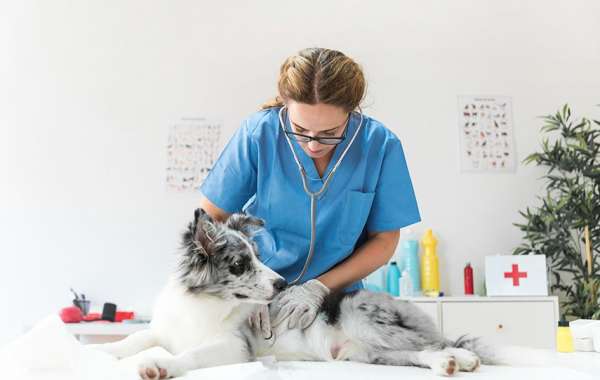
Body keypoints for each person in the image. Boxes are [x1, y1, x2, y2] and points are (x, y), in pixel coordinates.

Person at [198, 47, 420, 337]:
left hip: (336, 299)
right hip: (260, 298)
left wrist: (320, 287)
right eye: (300, 128)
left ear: (351, 113)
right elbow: (209, 221)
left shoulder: (379, 146)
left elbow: (385, 240)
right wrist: (246, 285)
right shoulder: (259, 134)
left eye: (329, 132)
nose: (313, 145)